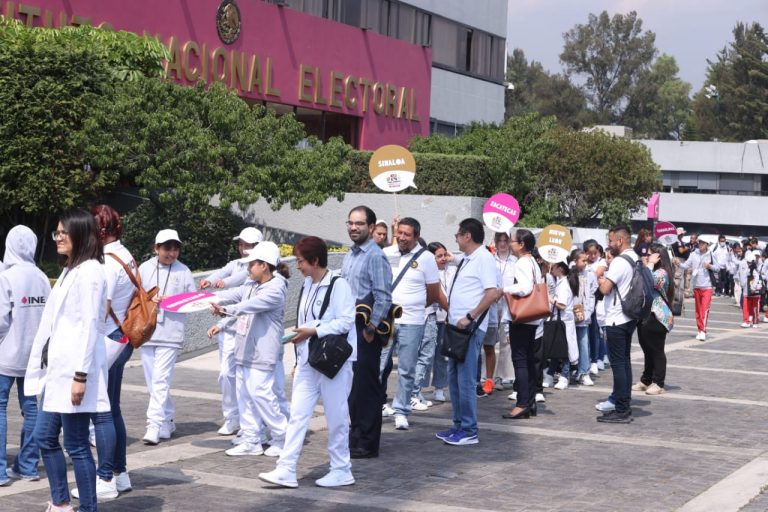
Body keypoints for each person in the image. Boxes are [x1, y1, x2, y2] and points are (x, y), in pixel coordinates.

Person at [25, 210, 110, 512]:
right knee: (44, 436)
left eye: (63, 233)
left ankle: (87, 507)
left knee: (75, 444)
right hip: (58, 371)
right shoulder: (70, 270)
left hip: (75, 372)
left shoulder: (90, 272)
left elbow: (89, 325)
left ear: (80, 234)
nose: (58, 238)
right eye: (56, 233)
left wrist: (81, 375)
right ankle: (61, 502)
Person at [258, 236, 356, 488]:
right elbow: (308, 321)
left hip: (333, 363)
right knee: (298, 416)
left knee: (336, 417)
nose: (297, 266)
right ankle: (286, 468)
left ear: (314, 260)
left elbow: (345, 322)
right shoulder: (308, 284)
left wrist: (312, 331)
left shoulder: (339, 285)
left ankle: (341, 469)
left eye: (301, 261)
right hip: (307, 361)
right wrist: (300, 337)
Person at [71, 205, 137, 501]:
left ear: (99, 231)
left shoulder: (108, 263)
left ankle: (106, 477)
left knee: (102, 413)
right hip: (122, 337)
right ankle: (119, 473)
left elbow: (101, 307)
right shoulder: (125, 255)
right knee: (113, 409)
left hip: (109, 339)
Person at [208, 242, 289, 458]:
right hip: (244, 351)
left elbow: (249, 306)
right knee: (245, 396)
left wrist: (225, 310)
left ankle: (283, 437)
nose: (248, 268)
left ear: (264, 265)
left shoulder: (275, 289)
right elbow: (233, 295)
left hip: (263, 352)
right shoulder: (250, 285)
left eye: (252, 264)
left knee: (262, 395)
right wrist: (201, 301)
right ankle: (252, 439)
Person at [435, 218, 498, 446]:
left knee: (466, 379)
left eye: (458, 234)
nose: (456, 238)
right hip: (456, 327)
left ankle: (469, 429)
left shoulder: (484, 259)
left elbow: (493, 293)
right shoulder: (469, 259)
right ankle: (459, 424)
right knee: (455, 378)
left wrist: (471, 316)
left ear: (467, 236)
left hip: (469, 328)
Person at [200, 226, 264, 437]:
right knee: (226, 374)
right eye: (241, 244)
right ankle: (232, 417)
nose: (243, 249)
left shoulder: (258, 271)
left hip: (245, 328)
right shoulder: (236, 264)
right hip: (227, 326)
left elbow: (235, 284)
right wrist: (209, 281)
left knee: (246, 379)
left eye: (248, 245)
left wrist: (222, 284)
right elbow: (223, 274)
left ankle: (255, 425)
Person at [0, 226, 50, 486]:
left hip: (6, 355)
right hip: (33, 356)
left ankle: (0, 470)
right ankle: (29, 465)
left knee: (0, 409)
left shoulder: (6, 277)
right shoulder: (42, 277)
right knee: (31, 409)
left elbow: (0, 321)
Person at [343, 206, 392, 459]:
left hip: (365, 329)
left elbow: (383, 295)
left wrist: (372, 328)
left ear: (371, 227)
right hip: (348, 328)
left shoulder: (375, 256)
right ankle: (355, 436)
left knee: (367, 387)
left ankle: (367, 442)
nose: (354, 228)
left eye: (359, 224)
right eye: (350, 223)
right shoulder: (350, 255)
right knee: (353, 387)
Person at [380, 218, 439, 430]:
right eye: (400, 233)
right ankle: (374, 406)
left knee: (406, 369)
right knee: (378, 366)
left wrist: (415, 307)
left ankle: (402, 410)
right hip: (386, 320)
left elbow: (433, 292)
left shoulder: (427, 258)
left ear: (416, 237)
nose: (402, 238)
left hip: (413, 321)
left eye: (407, 234)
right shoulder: (386, 254)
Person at [139, 229, 196, 445]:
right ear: (156, 248)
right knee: (153, 382)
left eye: (175, 248)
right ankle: (166, 418)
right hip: (147, 332)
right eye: (167, 248)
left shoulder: (184, 271)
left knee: (161, 379)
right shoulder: (144, 268)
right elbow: (136, 296)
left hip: (171, 333)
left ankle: (153, 425)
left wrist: (171, 300)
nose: (172, 253)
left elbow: (192, 302)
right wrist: (150, 299)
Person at [596, 225, 638, 424]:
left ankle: (621, 408)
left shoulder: (620, 262)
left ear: (620, 241)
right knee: (625, 362)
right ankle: (624, 403)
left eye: (611, 241)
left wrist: (598, 275)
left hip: (617, 318)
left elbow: (605, 289)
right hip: (629, 317)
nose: (609, 245)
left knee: (618, 364)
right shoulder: (635, 257)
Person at [502, 229, 543, 418]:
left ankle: (523, 403)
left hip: (522, 316)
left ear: (521, 244)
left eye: (512, 241)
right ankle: (530, 401)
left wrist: (505, 289)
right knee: (527, 359)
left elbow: (525, 288)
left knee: (520, 360)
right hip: (533, 316)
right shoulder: (533, 262)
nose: (510, 244)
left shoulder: (522, 263)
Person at [633, 243, 674, 396]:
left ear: (657, 257)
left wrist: (649, 265)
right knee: (647, 349)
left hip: (657, 316)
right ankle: (646, 379)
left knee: (656, 350)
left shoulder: (662, 273)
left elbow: (647, 283)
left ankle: (658, 382)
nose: (646, 256)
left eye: (649, 254)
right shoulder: (651, 269)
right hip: (645, 314)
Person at [414, 242, 452, 404]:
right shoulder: (427, 272)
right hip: (429, 318)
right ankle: (418, 390)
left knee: (442, 356)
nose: (443, 259)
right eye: (439, 256)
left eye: (444, 255)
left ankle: (439, 388)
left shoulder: (452, 271)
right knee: (425, 355)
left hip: (445, 319)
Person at [484, 231, 516, 394]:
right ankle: (486, 375)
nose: (502, 243)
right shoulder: (489, 258)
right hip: (491, 303)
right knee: (488, 342)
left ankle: (503, 375)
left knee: (506, 340)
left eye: (505, 240)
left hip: (508, 303)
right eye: (499, 240)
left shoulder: (515, 261)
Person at [545, 261, 579, 391]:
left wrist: (550, 299)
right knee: (556, 348)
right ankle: (549, 375)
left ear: (559, 268)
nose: (551, 269)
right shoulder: (561, 282)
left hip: (564, 321)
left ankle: (564, 376)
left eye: (553, 267)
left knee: (564, 349)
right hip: (560, 320)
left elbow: (562, 305)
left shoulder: (564, 284)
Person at [678, 239, 719, 341]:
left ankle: (703, 331)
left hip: (707, 286)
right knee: (698, 310)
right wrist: (678, 263)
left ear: (707, 245)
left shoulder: (711, 254)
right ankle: (700, 329)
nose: (700, 245)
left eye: (703, 243)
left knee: (705, 309)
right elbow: (686, 265)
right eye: (699, 243)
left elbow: (718, 268)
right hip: (696, 285)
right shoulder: (693, 254)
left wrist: (709, 266)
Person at [572, 249, 597, 386]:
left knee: (583, 342)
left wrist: (589, 310)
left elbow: (593, 292)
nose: (586, 263)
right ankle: (568, 370)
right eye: (583, 260)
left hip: (584, 312)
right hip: (570, 312)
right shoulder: (570, 273)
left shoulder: (590, 274)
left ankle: (584, 371)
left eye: (586, 260)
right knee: (570, 342)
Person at [738, 247, 762, 328]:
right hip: (746, 289)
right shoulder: (742, 264)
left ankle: (755, 321)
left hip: (754, 290)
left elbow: (757, 277)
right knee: (745, 306)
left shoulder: (754, 267)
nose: (749, 264)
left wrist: (754, 286)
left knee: (755, 306)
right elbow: (740, 275)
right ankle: (746, 321)